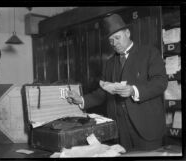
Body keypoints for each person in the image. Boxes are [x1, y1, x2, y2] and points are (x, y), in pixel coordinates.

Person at [67, 13, 168, 152]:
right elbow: (102, 93)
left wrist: (133, 90)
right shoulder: (109, 63)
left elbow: (161, 82)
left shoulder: (149, 53)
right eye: (111, 40)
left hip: (147, 127)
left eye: (117, 38)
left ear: (127, 33)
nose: (114, 43)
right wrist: (81, 100)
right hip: (120, 130)